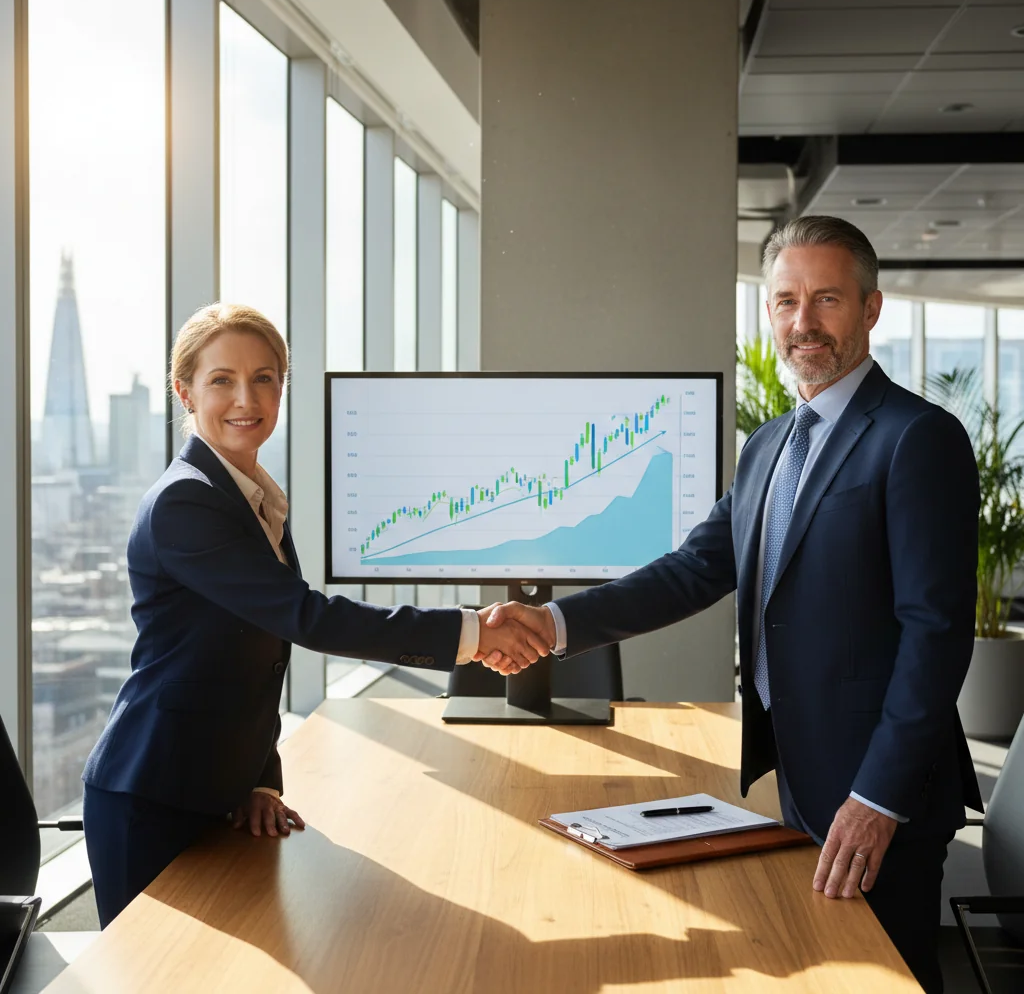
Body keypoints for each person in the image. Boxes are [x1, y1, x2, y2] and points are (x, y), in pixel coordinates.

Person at [487, 216, 982, 993]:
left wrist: (877, 796)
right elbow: (693, 570)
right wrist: (553, 625)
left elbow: (937, 634)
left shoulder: (917, 437)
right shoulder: (770, 445)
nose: (802, 322)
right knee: (825, 971)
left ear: (872, 309)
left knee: (890, 979)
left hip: (880, 791)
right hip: (804, 775)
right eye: (785, 301)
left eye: (826, 300)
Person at [82, 303, 547, 928]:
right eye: (222, 379)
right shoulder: (184, 503)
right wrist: (469, 632)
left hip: (214, 790)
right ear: (184, 391)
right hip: (151, 796)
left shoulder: (249, 498)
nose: (247, 398)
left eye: (265, 377)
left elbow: (254, 654)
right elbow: (304, 618)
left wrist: (260, 780)